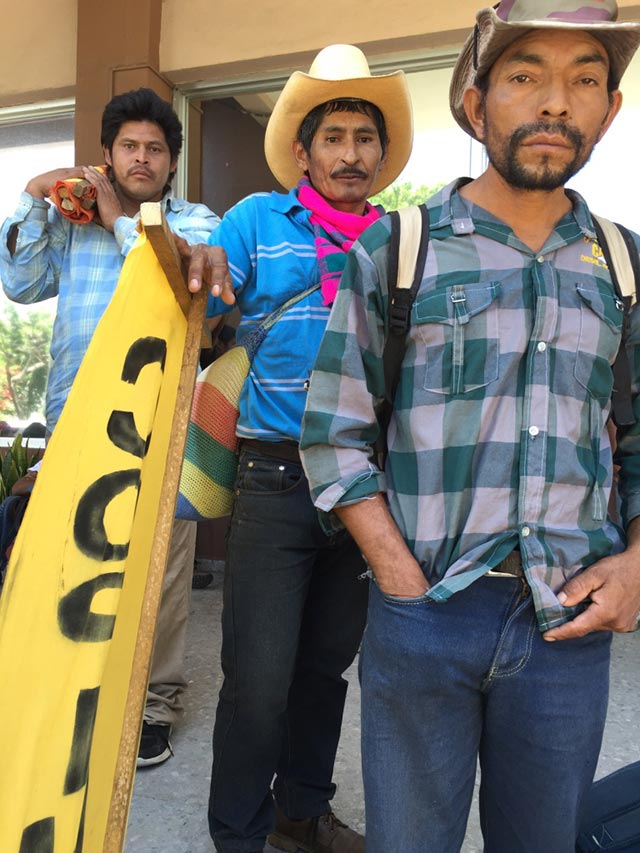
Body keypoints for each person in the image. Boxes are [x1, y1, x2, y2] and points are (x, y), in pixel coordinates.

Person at [299, 4, 640, 852]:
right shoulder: (399, 247)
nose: (556, 103)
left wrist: (635, 566)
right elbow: (333, 430)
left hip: (569, 622)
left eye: (585, 80)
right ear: (476, 103)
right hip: (424, 615)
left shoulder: (625, 265)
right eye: (526, 76)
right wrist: (397, 576)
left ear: (611, 111)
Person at [194, 44, 412, 853]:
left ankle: (300, 812)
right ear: (304, 152)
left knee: (325, 669)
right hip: (274, 473)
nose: (350, 153)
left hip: (362, 482)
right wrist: (202, 261)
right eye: (334, 138)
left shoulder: (401, 240)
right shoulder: (256, 220)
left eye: (365, 139)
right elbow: (206, 278)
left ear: (381, 158)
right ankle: (238, 836)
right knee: (256, 680)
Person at [0, 87, 220, 768]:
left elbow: (175, 290)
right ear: (107, 153)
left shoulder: (199, 224)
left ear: (173, 162)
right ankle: (74, 694)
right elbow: (21, 284)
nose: (142, 158)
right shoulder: (70, 221)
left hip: (161, 425)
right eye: (129, 146)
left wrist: (120, 218)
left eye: (156, 148)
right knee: (74, 564)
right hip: (76, 424)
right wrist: (34, 198)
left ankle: (153, 705)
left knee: (160, 572)